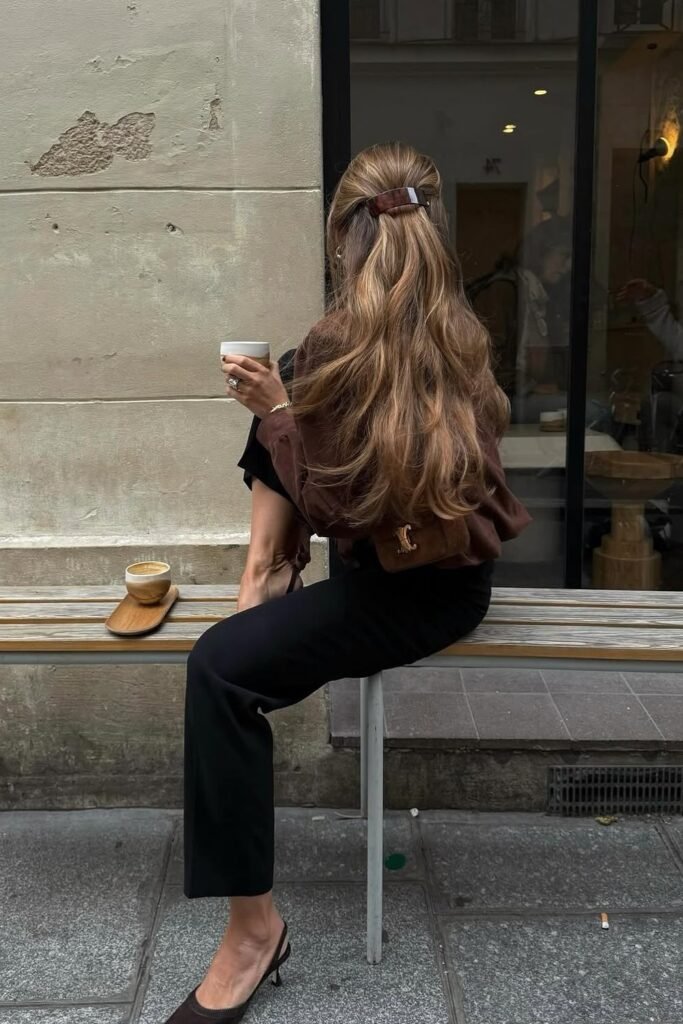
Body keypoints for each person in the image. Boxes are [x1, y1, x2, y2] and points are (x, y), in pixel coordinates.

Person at [165, 141, 531, 1024]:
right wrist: (288, 415)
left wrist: (281, 416)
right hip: (438, 581)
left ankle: (254, 934)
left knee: (219, 671)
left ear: (344, 238)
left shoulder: (351, 346)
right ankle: (265, 576)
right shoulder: (462, 334)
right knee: (288, 389)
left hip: (410, 586)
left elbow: (346, 509)